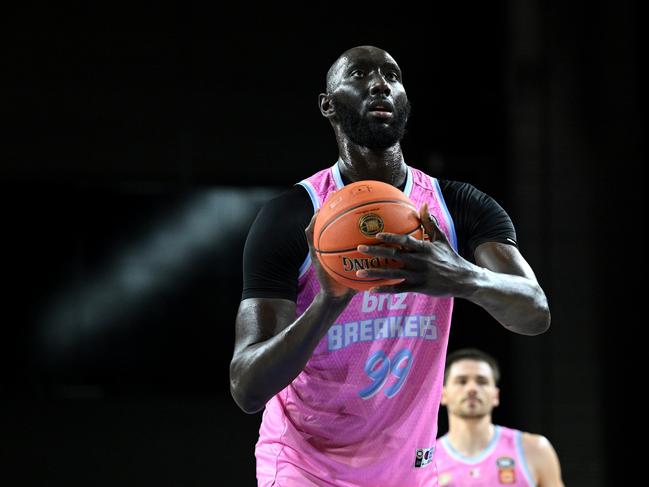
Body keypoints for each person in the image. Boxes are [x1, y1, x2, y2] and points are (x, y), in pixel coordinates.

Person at [229, 45, 551, 487]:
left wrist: (463, 277)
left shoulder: (456, 208)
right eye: (360, 75)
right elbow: (246, 388)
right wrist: (328, 303)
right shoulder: (290, 218)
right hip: (303, 465)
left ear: (404, 101)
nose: (381, 84)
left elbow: (535, 312)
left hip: (407, 471)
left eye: (392, 76)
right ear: (327, 105)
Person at [437, 348, 564, 486]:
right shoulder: (428, 462)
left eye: (482, 381)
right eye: (461, 381)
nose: (472, 388)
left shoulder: (535, 449)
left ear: (495, 396)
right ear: (442, 394)